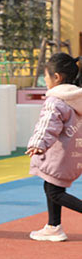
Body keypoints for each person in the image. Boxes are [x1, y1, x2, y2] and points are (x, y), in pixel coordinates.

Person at [26, 52, 82, 242]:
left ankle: (53, 226)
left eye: (46, 76)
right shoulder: (77, 100)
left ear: (56, 77)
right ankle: (53, 226)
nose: (45, 81)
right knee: (52, 186)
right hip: (74, 154)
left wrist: (38, 144)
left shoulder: (56, 101)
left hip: (58, 156)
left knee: (54, 192)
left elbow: (48, 124)